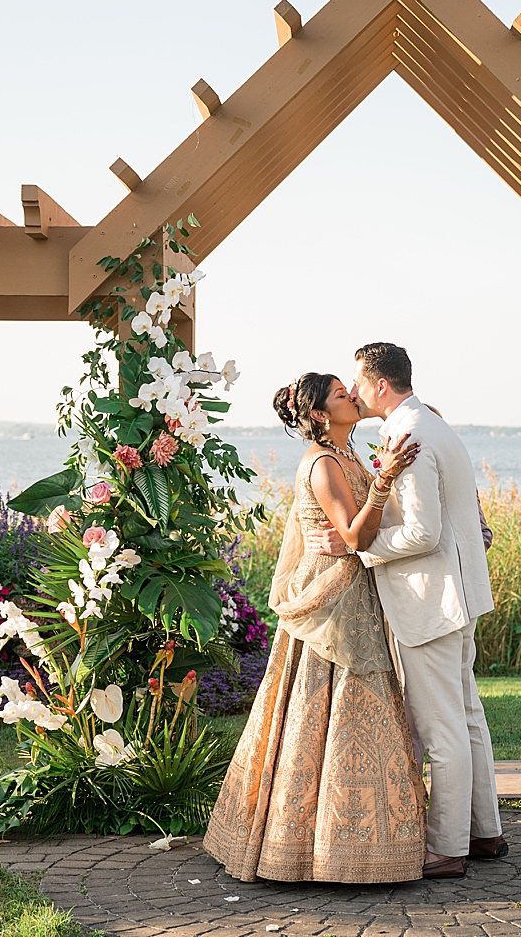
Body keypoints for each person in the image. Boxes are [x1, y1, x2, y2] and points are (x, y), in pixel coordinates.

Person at [202, 372, 427, 884]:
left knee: (360, 709)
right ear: (323, 414)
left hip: (356, 593)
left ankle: (363, 844)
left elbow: (358, 537)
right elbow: (352, 533)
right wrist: (386, 479)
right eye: (342, 395)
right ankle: (310, 848)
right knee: (320, 708)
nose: (353, 395)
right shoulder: (324, 464)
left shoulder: (349, 454)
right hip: (331, 604)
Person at [308, 342, 504, 880]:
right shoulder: (434, 424)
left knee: (441, 728)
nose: (352, 391)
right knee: (466, 717)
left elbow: (423, 533)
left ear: (380, 385)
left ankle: (446, 848)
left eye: (357, 383)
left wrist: (358, 547)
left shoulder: (408, 433)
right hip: (459, 594)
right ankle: (485, 832)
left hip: (431, 601)